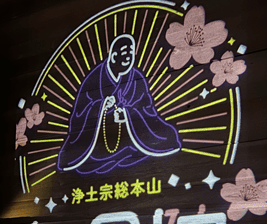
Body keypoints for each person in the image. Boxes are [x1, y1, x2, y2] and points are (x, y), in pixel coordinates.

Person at [57, 33, 181, 175]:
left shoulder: (136, 77)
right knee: (89, 162)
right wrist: (102, 106)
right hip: (100, 142)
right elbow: (79, 114)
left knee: (166, 136)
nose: (128, 57)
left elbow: (148, 109)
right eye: (124, 53)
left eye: (131, 53)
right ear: (114, 56)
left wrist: (128, 115)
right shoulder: (94, 79)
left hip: (130, 138)